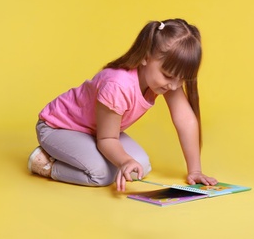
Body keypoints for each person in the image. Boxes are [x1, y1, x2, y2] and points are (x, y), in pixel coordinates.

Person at [28, 18, 218, 191]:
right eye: (168, 76)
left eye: (181, 80)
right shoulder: (117, 86)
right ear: (146, 56)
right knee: (101, 174)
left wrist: (195, 170)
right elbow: (107, 139)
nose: (174, 86)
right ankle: (45, 164)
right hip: (59, 127)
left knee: (140, 167)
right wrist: (124, 160)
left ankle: (88, 156)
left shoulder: (167, 81)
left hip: (96, 132)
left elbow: (185, 119)